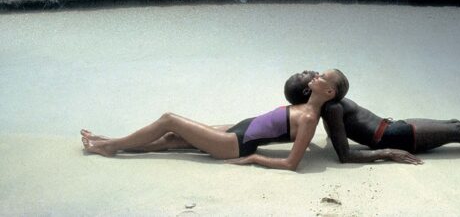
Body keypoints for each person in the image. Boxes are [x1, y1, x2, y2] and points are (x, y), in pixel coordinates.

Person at [81, 69, 349, 171]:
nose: (316, 75)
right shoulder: (303, 106)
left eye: (322, 77)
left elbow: (292, 162)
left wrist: (254, 159)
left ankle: (112, 146)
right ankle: (111, 141)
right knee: (172, 140)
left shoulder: (310, 118)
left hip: (235, 144)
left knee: (169, 120)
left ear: (329, 92)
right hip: (236, 132)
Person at [285, 71, 460, 165]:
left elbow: (333, 136)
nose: (312, 72)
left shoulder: (327, 106)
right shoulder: (331, 108)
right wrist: (389, 153)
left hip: (392, 127)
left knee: (457, 124)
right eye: (310, 75)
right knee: (459, 132)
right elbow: (344, 155)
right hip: (393, 136)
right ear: (317, 89)